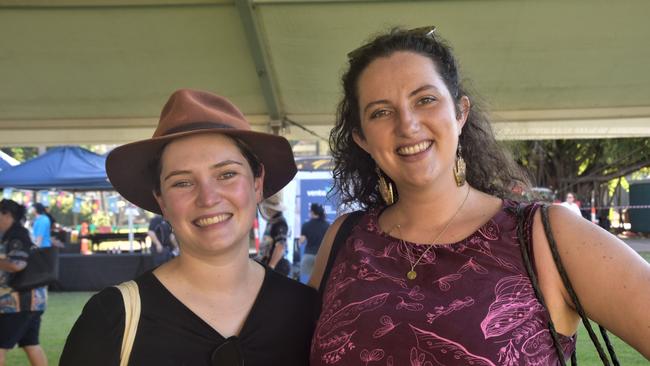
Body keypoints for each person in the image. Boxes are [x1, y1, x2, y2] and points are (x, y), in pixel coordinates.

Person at [309, 27, 650, 365]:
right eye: (380, 112)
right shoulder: (344, 239)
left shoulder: (544, 235)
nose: (408, 125)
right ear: (362, 139)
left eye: (425, 99)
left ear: (460, 113)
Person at [60, 89, 319, 365]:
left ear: (257, 184)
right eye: (182, 182)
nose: (208, 198)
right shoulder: (113, 319)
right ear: (161, 200)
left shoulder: (307, 310)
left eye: (227, 174)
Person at [0, 199, 48, 366]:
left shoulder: (16, 235)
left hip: (19, 304)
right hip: (33, 301)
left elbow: (17, 264)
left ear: (7, 214)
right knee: (31, 345)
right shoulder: (14, 234)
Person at [257, 193, 291, 276]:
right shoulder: (273, 220)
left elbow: (280, 246)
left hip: (276, 267)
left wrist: (271, 266)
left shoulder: (280, 222)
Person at [298, 203, 329, 283]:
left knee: (305, 282)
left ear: (312, 212)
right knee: (321, 281)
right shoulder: (327, 225)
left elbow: (302, 241)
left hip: (308, 256)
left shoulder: (306, 225)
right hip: (322, 257)